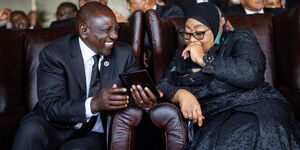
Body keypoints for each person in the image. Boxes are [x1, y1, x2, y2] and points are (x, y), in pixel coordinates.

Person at [12, 2, 159, 150]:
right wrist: (94, 104)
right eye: (107, 30)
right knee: (30, 130)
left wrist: (144, 99)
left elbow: (132, 93)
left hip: (92, 132)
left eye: (116, 29)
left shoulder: (123, 54)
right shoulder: (55, 54)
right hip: (53, 125)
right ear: (84, 31)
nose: (115, 36)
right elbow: (51, 106)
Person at [156, 2, 300, 150]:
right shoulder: (182, 54)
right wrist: (181, 94)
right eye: (187, 33)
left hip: (258, 104)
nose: (192, 40)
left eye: (199, 33)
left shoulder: (239, 38)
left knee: (257, 127)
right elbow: (163, 85)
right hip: (215, 115)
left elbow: (251, 74)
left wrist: (203, 59)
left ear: (215, 28)